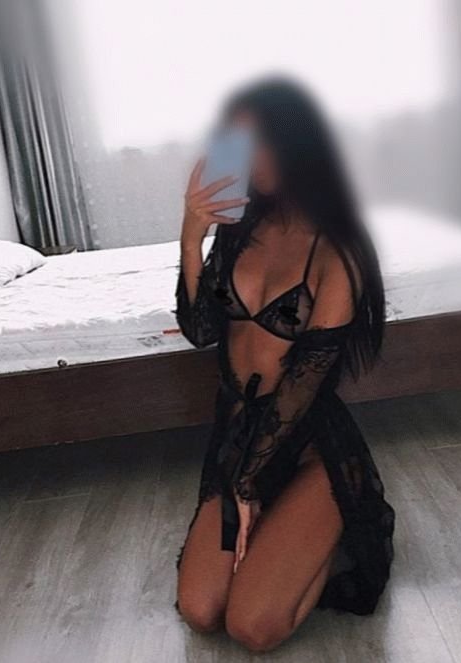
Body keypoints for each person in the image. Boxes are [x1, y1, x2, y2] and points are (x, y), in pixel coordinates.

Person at [175, 78, 395, 652]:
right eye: (239, 143)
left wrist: (247, 487)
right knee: (201, 609)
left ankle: (331, 524)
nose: (251, 158)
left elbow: (303, 384)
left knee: (253, 627)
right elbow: (201, 330)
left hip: (308, 445)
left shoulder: (339, 250)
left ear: (298, 144)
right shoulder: (239, 228)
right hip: (238, 437)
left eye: (263, 142)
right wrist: (192, 236)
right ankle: (283, 538)